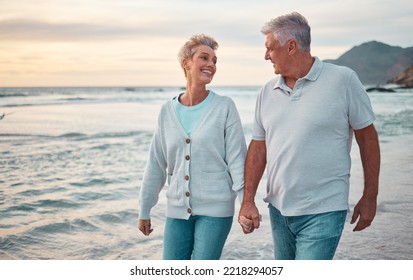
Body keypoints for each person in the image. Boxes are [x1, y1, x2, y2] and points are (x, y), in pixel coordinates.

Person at [238, 12, 380, 260]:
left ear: (291, 46)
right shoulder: (266, 92)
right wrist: (247, 200)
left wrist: (370, 196)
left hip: (324, 209)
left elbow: (367, 139)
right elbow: (258, 147)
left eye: (270, 48)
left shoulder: (343, 80)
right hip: (279, 210)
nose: (266, 56)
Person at [138, 34, 247, 260]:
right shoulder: (166, 112)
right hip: (177, 211)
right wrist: (144, 209)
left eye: (214, 61)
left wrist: (246, 203)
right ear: (186, 63)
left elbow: (237, 160)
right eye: (204, 58)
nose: (211, 65)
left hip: (216, 211)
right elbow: (156, 164)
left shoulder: (225, 107)